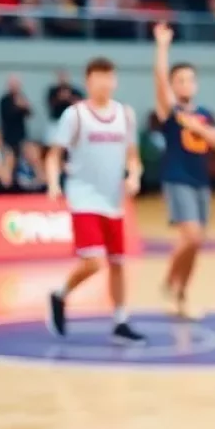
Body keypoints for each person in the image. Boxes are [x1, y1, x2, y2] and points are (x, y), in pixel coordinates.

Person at [45, 57, 145, 344]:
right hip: (83, 196)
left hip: (113, 198)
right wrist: (53, 183)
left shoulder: (125, 114)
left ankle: (120, 321)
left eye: (109, 77)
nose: (105, 83)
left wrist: (135, 175)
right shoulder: (75, 115)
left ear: (115, 81)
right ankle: (60, 294)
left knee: (118, 262)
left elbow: (132, 156)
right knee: (93, 261)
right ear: (88, 82)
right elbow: (54, 155)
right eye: (99, 78)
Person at [153, 22, 215, 320]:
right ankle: (170, 281)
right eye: (179, 80)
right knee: (192, 237)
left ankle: (182, 295)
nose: (185, 84)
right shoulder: (170, 112)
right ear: (173, 86)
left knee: (197, 245)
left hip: (201, 182)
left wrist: (197, 126)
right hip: (177, 178)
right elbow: (159, 79)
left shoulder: (204, 114)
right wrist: (162, 47)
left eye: (189, 80)